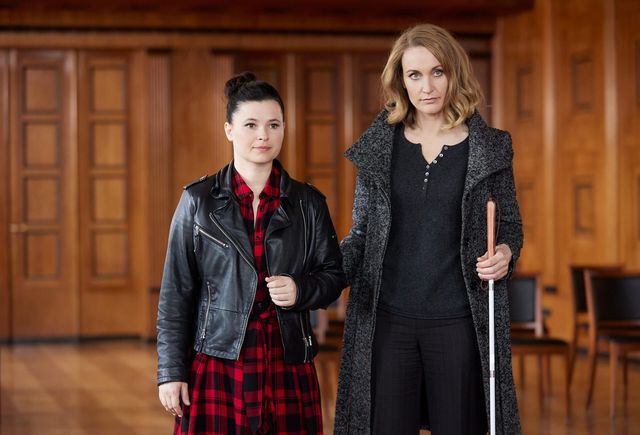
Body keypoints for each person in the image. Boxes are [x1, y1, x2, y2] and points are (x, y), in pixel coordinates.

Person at [334, 24, 523, 435]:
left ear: (455, 72)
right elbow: (360, 234)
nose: (427, 87)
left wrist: (505, 254)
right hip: (387, 320)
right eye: (414, 75)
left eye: (438, 72)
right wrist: (321, 277)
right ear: (400, 81)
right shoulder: (379, 147)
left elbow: (509, 225)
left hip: (459, 321)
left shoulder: (491, 148)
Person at [157, 72, 346, 435]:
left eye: (274, 125)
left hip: (287, 360)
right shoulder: (197, 201)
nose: (263, 135)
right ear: (229, 129)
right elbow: (175, 294)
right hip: (217, 359)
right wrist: (170, 372)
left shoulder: (308, 203)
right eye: (251, 125)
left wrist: (301, 289)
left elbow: (334, 276)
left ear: (284, 129)